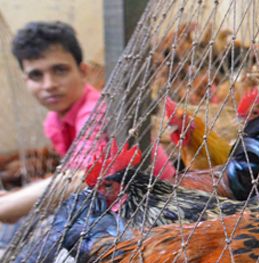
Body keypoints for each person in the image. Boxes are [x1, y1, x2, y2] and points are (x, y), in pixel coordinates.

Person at [0, 21, 175, 223]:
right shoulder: (54, 121)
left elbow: (83, 178)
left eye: (60, 70)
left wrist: (8, 205)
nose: (49, 85)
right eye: (36, 75)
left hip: (161, 207)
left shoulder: (95, 110)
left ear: (83, 71)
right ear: (26, 81)